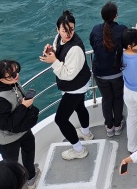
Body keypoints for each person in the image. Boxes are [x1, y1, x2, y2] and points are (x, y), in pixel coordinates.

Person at [39, 9, 93, 160]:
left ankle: (79, 150)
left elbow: (68, 75)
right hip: (77, 83)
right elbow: (58, 49)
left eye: (71, 30)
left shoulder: (75, 48)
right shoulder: (59, 38)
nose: (68, 33)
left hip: (75, 86)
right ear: (58, 30)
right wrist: (51, 51)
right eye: (64, 30)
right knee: (80, 107)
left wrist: (54, 61)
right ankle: (86, 133)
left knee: (61, 120)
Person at [0, 59, 40, 188]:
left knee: (29, 150)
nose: (16, 76)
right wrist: (24, 107)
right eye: (11, 76)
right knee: (11, 166)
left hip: (21, 128)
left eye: (16, 72)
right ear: (1, 80)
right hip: (7, 138)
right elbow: (5, 125)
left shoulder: (10, 83)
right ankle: (18, 185)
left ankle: (30, 176)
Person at [89, 1, 128, 137]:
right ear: (115, 16)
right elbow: (128, 45)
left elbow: (93, 44)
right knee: (118, 98)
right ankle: (118, 125)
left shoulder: (95, 29)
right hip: (116, 73)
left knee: (106, 98)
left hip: (99, 73)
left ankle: (109, 127)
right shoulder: (122, 29)